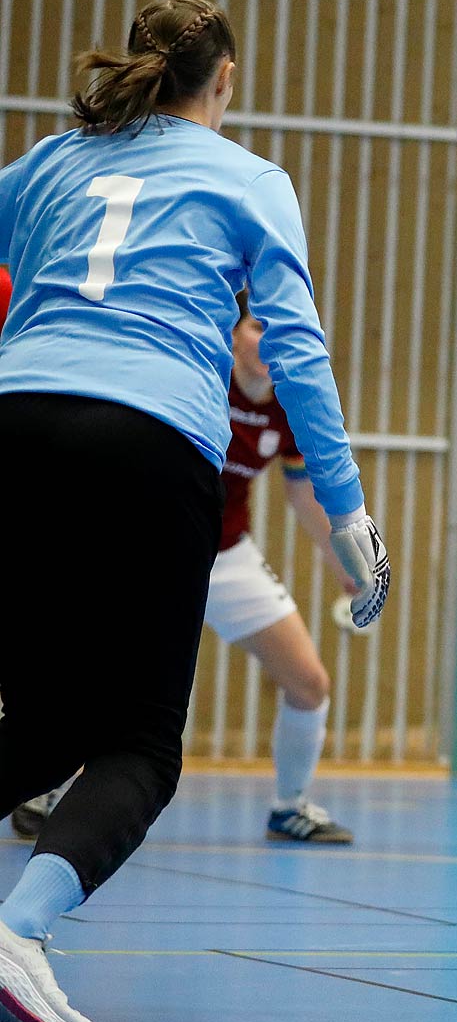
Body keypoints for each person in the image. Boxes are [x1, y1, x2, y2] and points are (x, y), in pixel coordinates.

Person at [0, 0, 390, 1022]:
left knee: (37, 724)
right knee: (138, 740)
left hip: (17, 422)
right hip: (147, 439)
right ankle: (20, 930)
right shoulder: (249, 177)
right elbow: (297, 350)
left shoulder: (43, 163)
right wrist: (348, 511)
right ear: (224, 84)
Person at [10, 293, 360, 845]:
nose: (266, 341)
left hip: (223, 556)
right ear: (234, 334)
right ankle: (43, 790)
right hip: (143, 550)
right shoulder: (200, 378)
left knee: (309, 682)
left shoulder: (291, 404)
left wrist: (345, 561)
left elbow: (302, 496)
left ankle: (290, 807)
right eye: (254, 327)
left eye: (279, 330)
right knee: (91, 681)